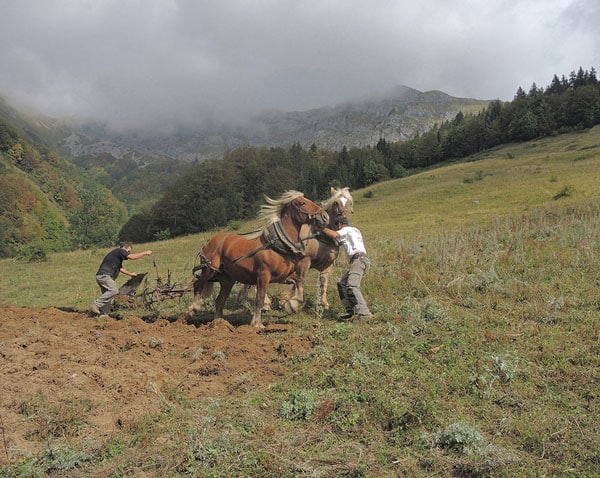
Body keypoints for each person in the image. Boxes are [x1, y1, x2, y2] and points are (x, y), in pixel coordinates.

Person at [320, 217, 373, 320]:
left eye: (337, 226)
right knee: (342, 284)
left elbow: (335, 235)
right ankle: (350, 310)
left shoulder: (347, 230)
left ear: (340, 225)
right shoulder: (355, 230)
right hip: (360, 260)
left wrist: (322, 228)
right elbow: (338, 241)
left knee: (353, 285)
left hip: (359, 260)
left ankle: (365, 313)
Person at [91, 242, 152, 318]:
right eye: (128, 251)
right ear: (125, 248)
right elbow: (132, 257)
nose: (128, 253)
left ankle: (103, 316)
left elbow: (120, 268)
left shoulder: (116, 257)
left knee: (109, 298)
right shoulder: (120, 250)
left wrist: (130, 274)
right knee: (114, 291)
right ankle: (96, 303)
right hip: (105, 276)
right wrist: (145, 252)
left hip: (102, 276)